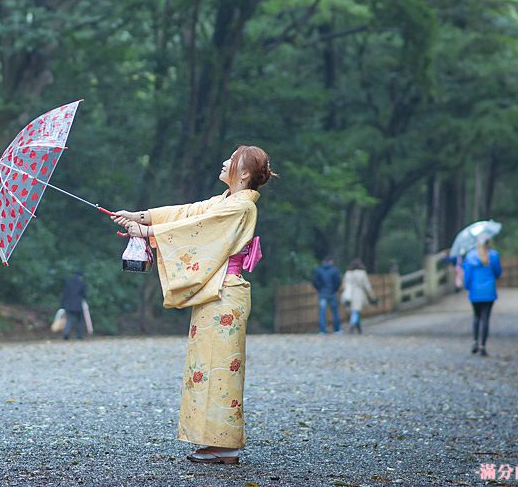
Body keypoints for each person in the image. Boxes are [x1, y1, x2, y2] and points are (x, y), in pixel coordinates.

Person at [112, 144, 275, 465]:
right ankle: (212, 440)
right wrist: (139, 217)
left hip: (226, 293)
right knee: (205, 364)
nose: (225, 161)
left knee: (220, 367)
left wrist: (147, 232)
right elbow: (187, 213)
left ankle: (225, 444)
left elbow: (196, 230)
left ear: (243, 174)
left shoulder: (241, 207)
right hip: (216, 292)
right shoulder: (226, 201)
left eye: (233, 160)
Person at [462, 235, 502, 357]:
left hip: (475, 291)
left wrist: (467, 286)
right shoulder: (494, 256)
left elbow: (467, 275)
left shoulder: (470, 256)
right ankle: (482, 345)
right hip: (489, 291)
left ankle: (475, 341)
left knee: (476, 316)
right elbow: (498, 273)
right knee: (485, 318)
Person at [342, 258, 375, 334]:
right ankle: (352, 324)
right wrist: (372, 295)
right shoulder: (362, 273)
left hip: (349, 294)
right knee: (356, 310)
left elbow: (344, 285)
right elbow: (367, 286)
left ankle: (358, 327)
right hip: (358, 293)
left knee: (353, 310)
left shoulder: (348, 273)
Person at [312, 256, 342, 334]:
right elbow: (338, 281)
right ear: (330, 261)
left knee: (322, 312)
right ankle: (337, 329)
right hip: (332, 293)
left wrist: (320, 289)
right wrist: (334, 290)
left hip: (322, 294)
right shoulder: (334, 270)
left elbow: (315, 281)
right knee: (335, 311)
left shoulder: (318, 270)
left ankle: (322, 330)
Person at [60, 271, 87, 340]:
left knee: (69, 320)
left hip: (68, 305)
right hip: (78, 305)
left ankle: (66, 333)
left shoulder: (68, 282)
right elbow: (84, 295)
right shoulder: (82, 283)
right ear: (80, 276)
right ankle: (79, 335)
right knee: (80, 321)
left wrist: (62, 305)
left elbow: (65, 294)